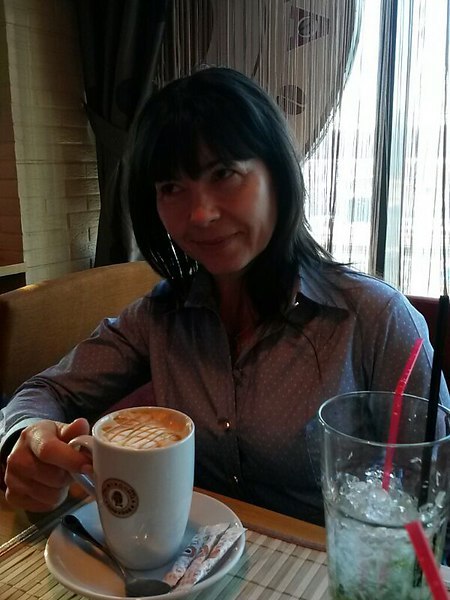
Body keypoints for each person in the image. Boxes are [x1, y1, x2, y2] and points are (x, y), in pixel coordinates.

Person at [0, 67, 447, 524]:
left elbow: (436, 489)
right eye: (172, 188)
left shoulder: (374, 318)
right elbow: (43, 390)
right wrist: (28, 438)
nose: (200, 214)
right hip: (193, 557)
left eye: (225, 173)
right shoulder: (159, 316)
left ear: (277, 175)